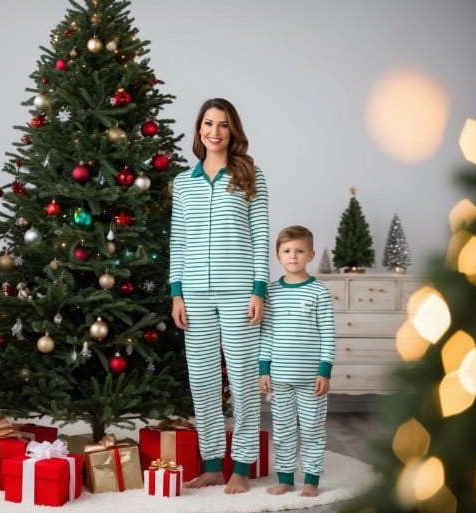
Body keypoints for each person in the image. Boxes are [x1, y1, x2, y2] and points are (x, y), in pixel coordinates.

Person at [169, 98, 269, 494]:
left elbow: (261, 235)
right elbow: (178, 241)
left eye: (223, 125)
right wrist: (176, 293)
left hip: (240, 290)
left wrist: (259, 289)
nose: (214, 131)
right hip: (194, 294)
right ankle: (212, 463)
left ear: (233, 131)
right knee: (203, 379)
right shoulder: (184, 182)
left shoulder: (250, 176)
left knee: (243, 377)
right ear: (199, 130)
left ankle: (241, 466)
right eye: (208, 123)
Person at [259, 225, 336, 497]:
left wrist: (324, 372)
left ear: (311, 255)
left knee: (313, 428)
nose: (293, 256)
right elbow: (266, 333)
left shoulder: (319, 292)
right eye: (287, 251)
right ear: (278, 256)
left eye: (300, 251)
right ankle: (286, 478)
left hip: (311, 379)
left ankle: (312, 480)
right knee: (282, 430)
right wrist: (264, 370)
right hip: (280, 378)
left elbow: (328, 334)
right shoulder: (270, 293)